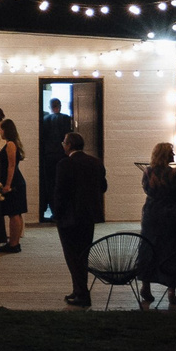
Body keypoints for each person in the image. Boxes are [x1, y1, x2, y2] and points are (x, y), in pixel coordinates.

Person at [53, 130, 108, 306]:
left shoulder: (64, 164)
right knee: (83, 254)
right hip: (89, 216)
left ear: (69, 145)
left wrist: (57, 214)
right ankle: (79, 290)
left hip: (69, 216)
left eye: (64, 142)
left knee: (72, 256)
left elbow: (60, 192)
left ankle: (82, 294)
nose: (63, 145)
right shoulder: (95, 162)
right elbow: (103, 186)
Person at [140, 141, 176, 303]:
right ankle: (171, 290)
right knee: (172, 250)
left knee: (149, 248)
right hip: (171, 215)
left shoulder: (148, 172)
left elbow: (147, 190)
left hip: (152, 214)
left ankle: (145, 286)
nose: (174, 155)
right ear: (165, 155)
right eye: (171, 152)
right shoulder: (175, 173)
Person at [0, 117, 27, 252]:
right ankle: (14, 242)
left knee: (13, 213)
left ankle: (13, 244)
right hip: (16, 181)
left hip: (14, 182)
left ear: (6, 130)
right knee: (16, 213)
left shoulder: (10, 145)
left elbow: (11, 166)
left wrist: (7, 185)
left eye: (1, 129)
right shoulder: (11, 144)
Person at [38, 98, 71, 222]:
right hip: (62, 155)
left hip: (48, 156)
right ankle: (62, 212)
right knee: (63, 184)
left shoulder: (45, 120)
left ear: (50, 106)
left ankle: (53, 211)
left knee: (50, 184)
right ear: (60, 106)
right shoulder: (66, 119)